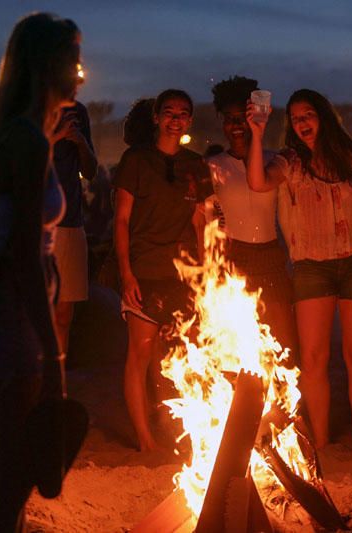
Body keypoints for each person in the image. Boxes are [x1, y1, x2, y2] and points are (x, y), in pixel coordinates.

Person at [0, 13, 81, 531]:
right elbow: (25, 254)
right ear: (47, 65)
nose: (79, 68)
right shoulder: (26, 140)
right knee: (13, 474)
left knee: (10, 465)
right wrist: (52, 352)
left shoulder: (14, 134)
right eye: (72, 56)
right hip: (11, 318)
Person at [246, 89, 352, 455]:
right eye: (295, 119)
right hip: (311, 264)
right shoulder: (290, 161)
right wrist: (256, 133)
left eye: (308, 115)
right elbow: (257, 182)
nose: (302, 124)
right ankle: (325, 438)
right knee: (313, 358)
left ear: (324, 117)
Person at [113, 89, 212, 452]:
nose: (175, 118)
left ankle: (176, 430)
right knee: (140, 354)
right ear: (156, 117)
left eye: (183, 113)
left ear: (189, 120)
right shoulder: (136, 160)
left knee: (177, 357)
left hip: (183, 275)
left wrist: (208, 275)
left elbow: (202, 224)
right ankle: (145, 439)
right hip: (145, 269)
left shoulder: (196, 165)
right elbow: (121, 221)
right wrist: (126, 274)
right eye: (168, 112)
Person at [207, 76, 298, 359]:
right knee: (237, 345)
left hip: (270, 257)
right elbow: (208, 222)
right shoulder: (213, 166)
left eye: (242, 117)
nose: (236, 126)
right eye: (229, 119)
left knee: (283, 343)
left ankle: (285, 403)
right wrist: (209, 266)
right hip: (234, 258)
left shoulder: (277, 162)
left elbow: (290, 213)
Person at [52, 101, 98, 356]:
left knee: (63, 315)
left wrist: (79, 141)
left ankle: (57, 388)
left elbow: (90, 171)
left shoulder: (78, 112)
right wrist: (56, 136)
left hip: (69, 222)